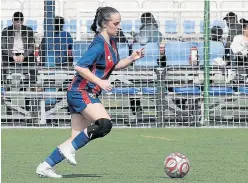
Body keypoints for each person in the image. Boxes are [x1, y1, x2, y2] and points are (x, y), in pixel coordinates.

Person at [36, 6, 144, 178]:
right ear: (103, 24)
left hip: (80, 91)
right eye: (116, 23)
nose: (119, 26)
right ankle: (66, 151)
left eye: (119, 23)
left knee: (76, 139)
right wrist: (100, 81)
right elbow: (79, 66)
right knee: (104, 124)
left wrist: (131, 58)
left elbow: (111, 65)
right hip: (81, 90)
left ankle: (45, 166)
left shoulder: (111, 42)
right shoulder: (99, 44)